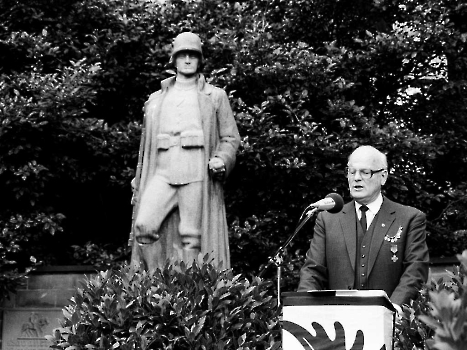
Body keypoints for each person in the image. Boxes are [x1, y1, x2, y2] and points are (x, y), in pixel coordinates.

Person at [129, 32, 240, 270]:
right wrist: (139, 180)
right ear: (174, 59)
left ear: (200, 60)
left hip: (195, 171)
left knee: (191, 236)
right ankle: (156, 284)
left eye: (193, 55)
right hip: (163, 171)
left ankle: (192, 294)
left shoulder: (215, 96)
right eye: (182, 54)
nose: (188, 59)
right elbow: (144, 150)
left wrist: (222, 158)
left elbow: (230, 138)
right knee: (144, 227)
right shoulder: (155, 100)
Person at [297, 145, 429, 308]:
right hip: (338, 326)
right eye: (351, 172)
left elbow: (415, 272)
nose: (356, 178)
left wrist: (390, 313)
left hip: (391, 324)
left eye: (365, 172)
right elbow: (312, 272)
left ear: (383, 176)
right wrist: (304, 309)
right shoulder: (328, 219)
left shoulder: (409, 219)